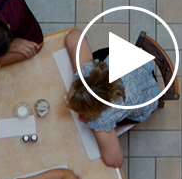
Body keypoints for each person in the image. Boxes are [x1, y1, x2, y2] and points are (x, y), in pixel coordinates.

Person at [64, 29, 160, 168]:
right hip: (135, 63)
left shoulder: (103, 119)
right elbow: (74, 35)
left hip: (147, 96)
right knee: (97, 57)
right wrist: (75, 85)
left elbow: (115, 161)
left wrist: (96, 127)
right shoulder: (87, 71)